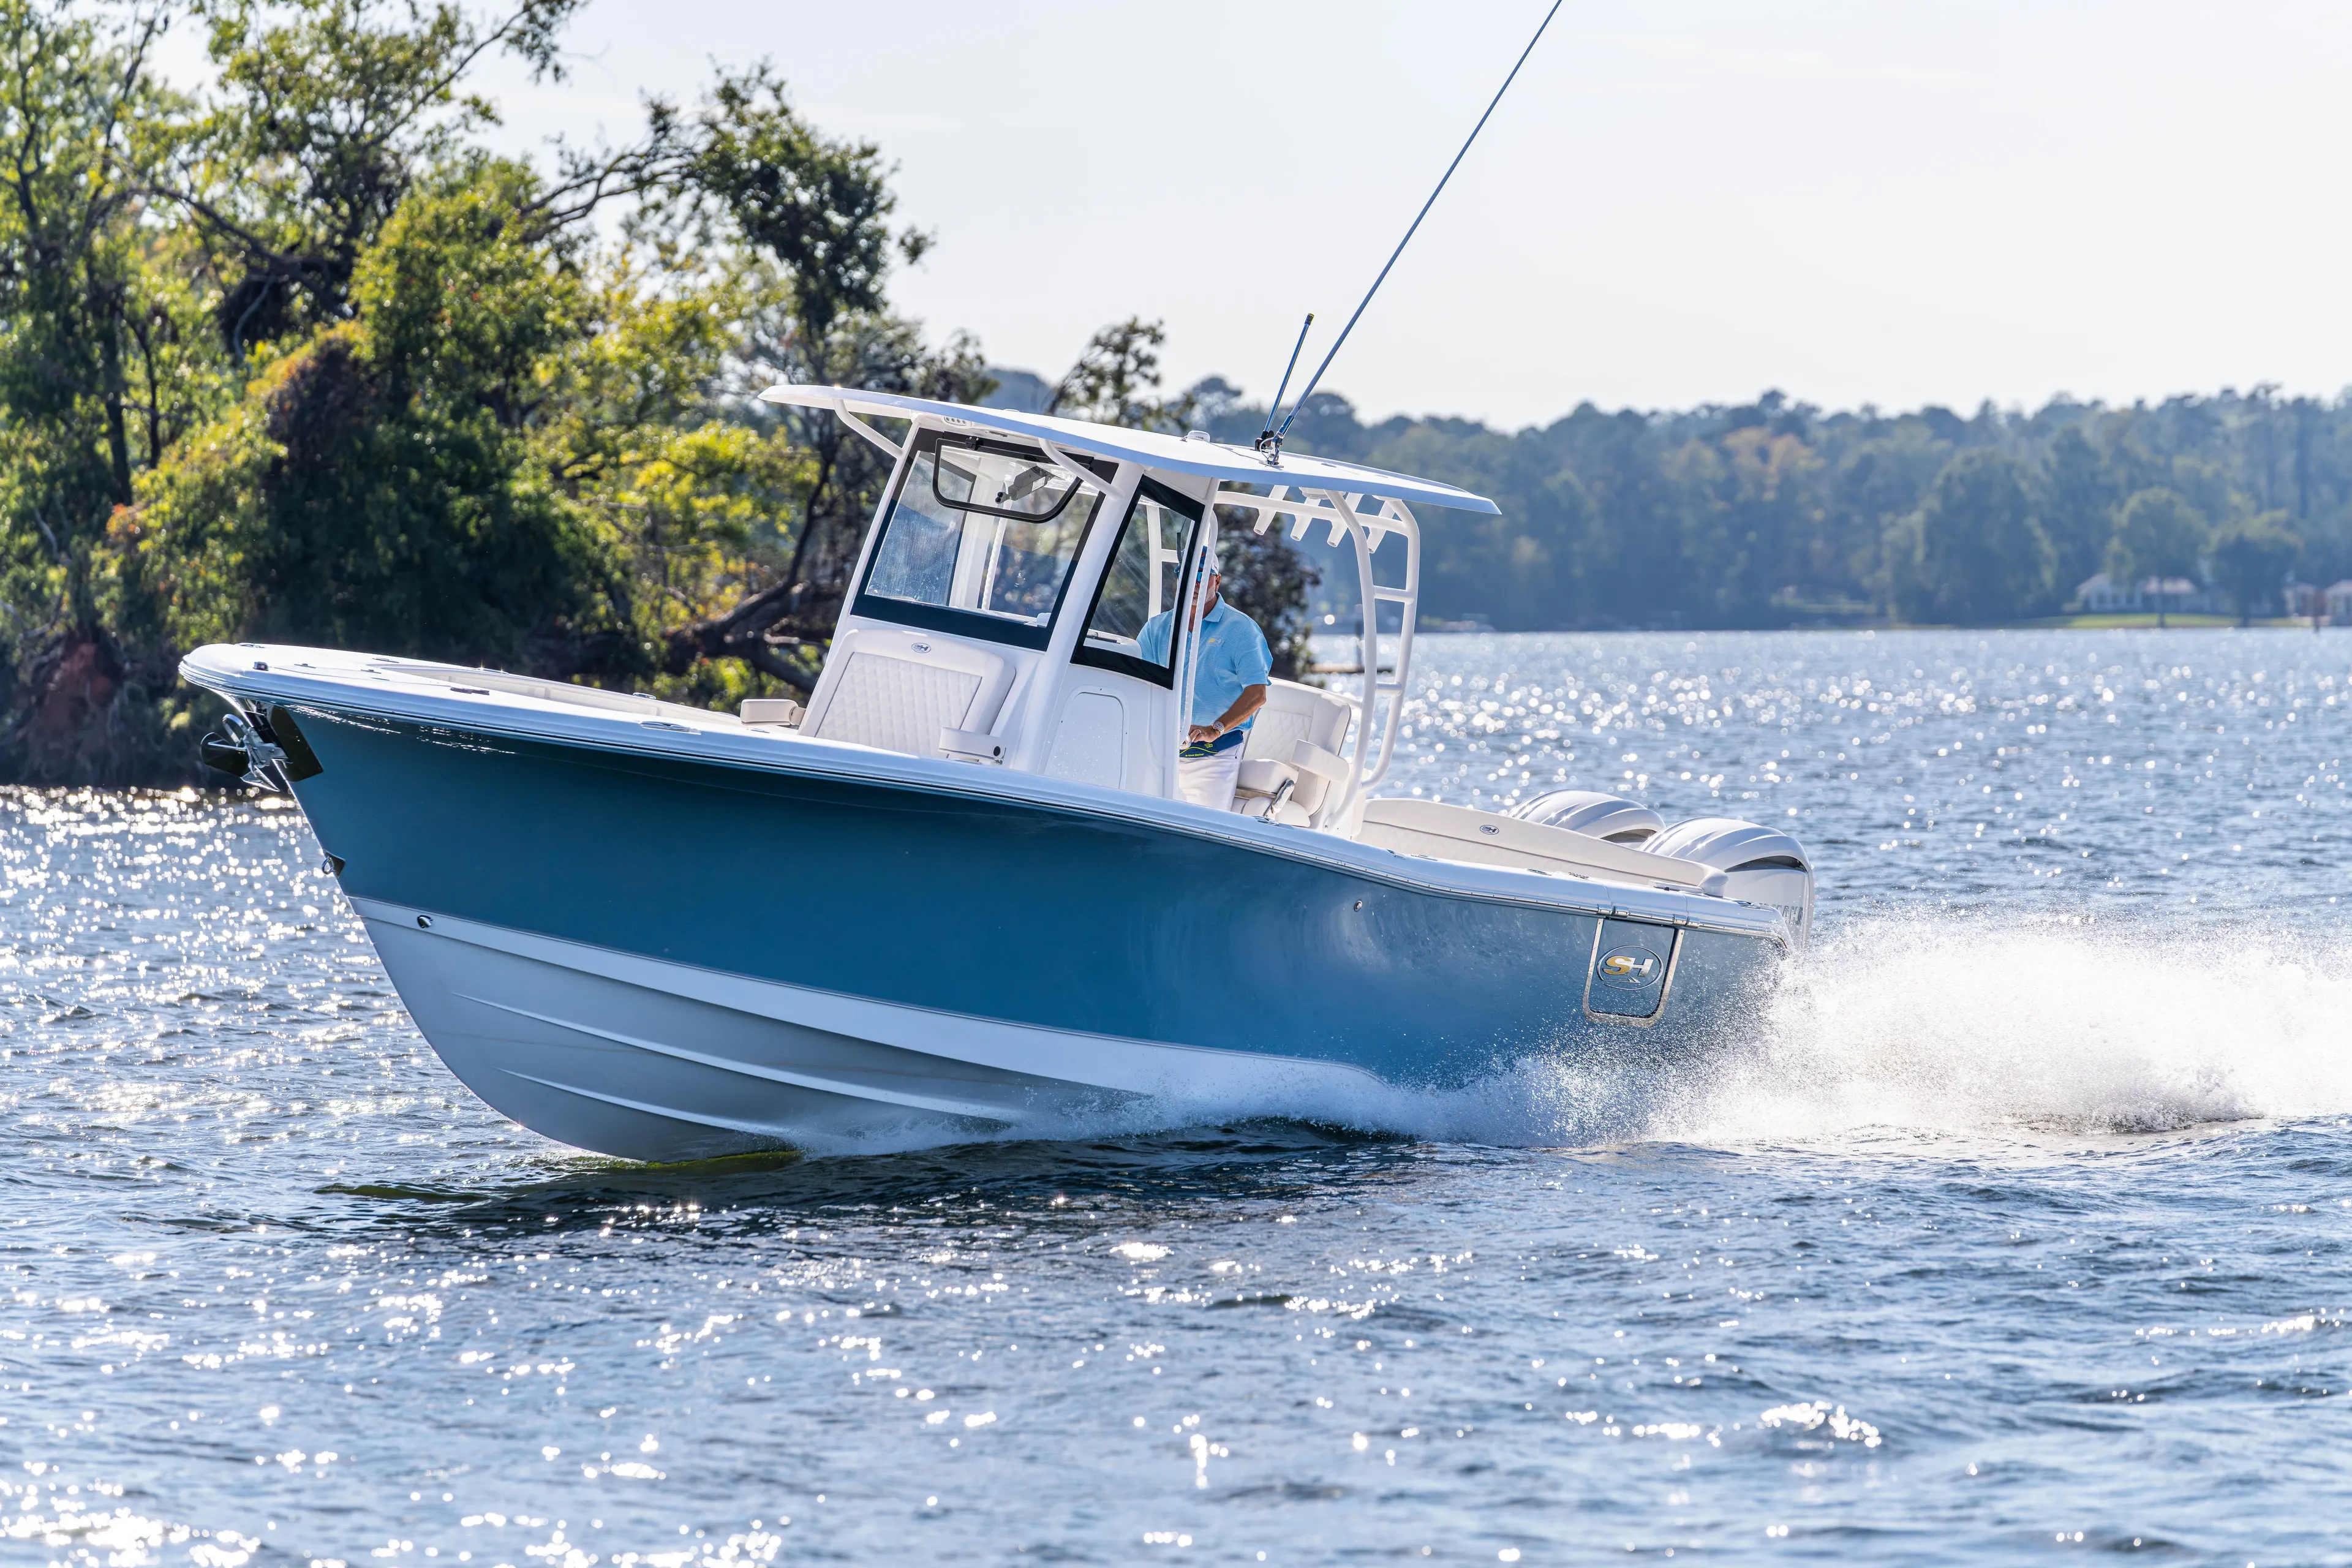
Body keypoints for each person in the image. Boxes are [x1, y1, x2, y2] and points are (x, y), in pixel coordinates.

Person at [1136, 548, 1272, 811]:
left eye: (1203, 574)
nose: (1194, 582)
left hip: (1214, 755)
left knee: (1202, 834)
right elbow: (1138, 682)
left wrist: (1215, 729)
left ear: (1217, 580)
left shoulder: (1241, 629)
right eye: (1186, 574)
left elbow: (1258, 694)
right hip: (1157, 750)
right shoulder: (1157, 628)